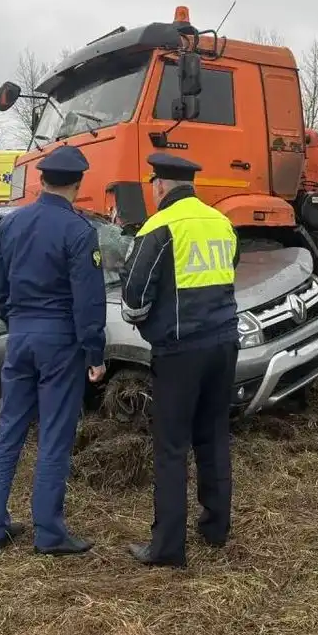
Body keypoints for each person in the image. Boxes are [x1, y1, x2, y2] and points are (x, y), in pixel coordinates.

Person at [0, 144, 107, 556]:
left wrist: (17, 322)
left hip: (20, 335)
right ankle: (49, 532)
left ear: (42, 180)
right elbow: (88, 301)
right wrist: (95, 352)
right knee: (54, 434)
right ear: (78, 184)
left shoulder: (12, 224)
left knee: (9, 430)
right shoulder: (79, 230)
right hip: (60, 341)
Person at [119, 152, 240, 568]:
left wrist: (143, 322)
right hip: (224, 342)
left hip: (179, 350)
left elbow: (134, 297)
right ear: (191, 185)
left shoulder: (159, 227)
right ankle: (216, 528)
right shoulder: (221, 222)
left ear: (159, 186)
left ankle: (168, 547)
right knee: (214, 435)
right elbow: (230, 269)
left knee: (171, 447)